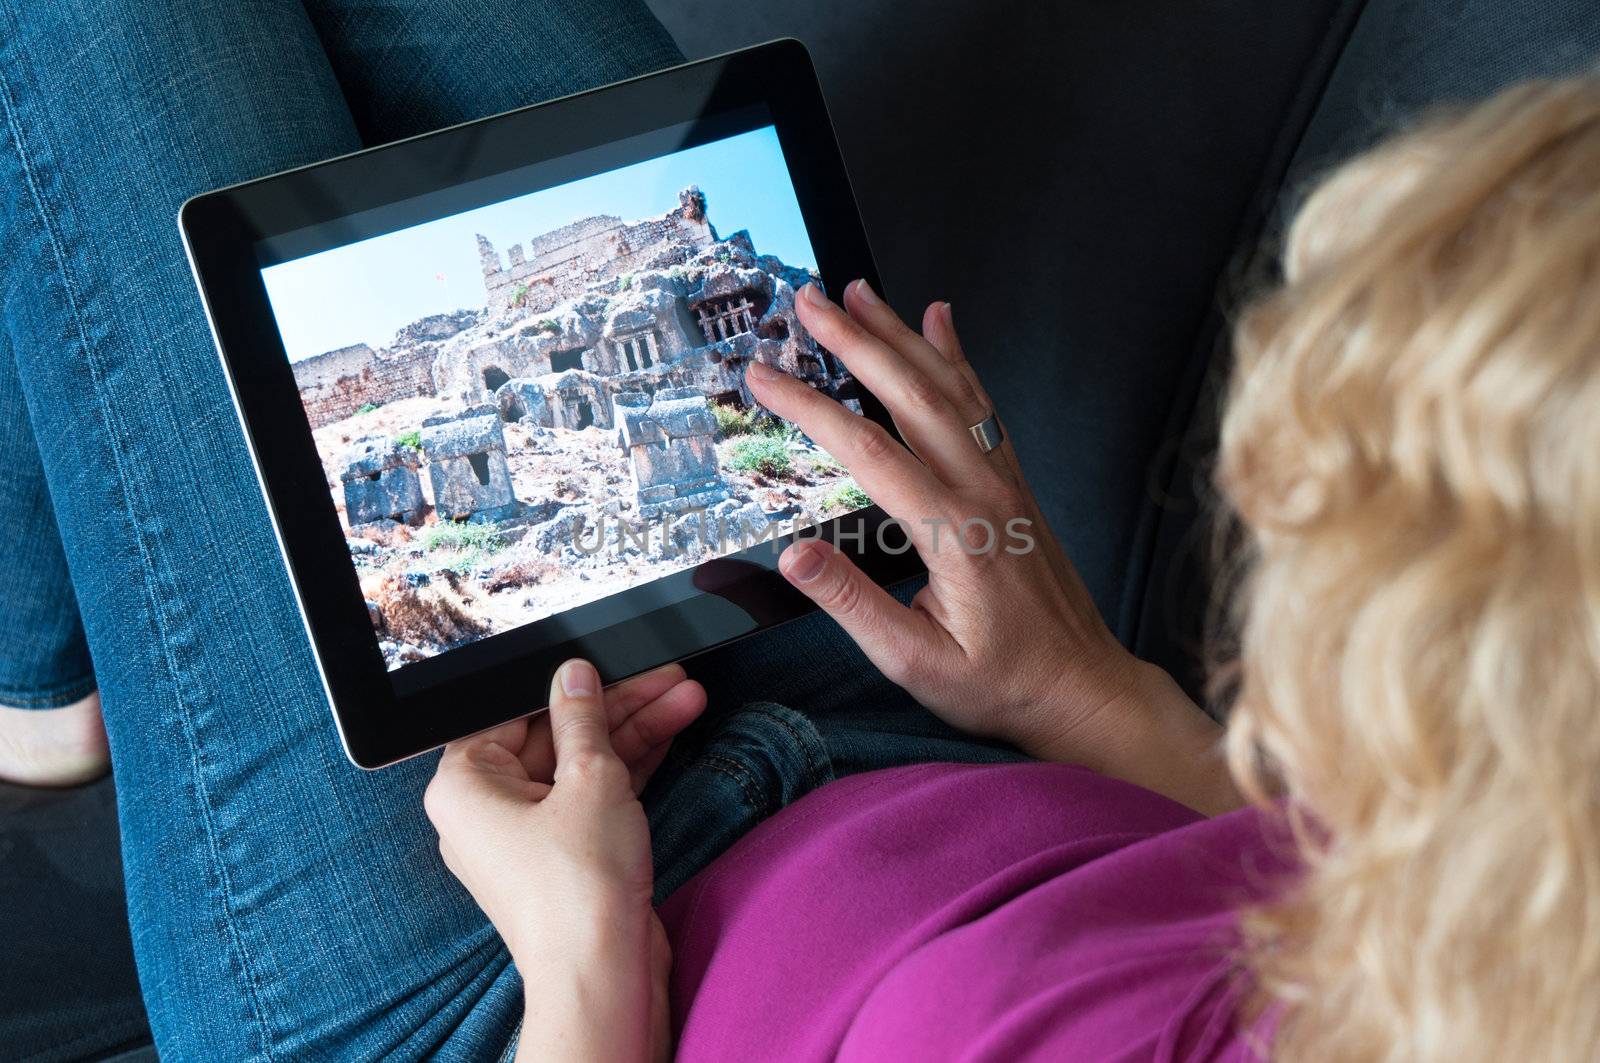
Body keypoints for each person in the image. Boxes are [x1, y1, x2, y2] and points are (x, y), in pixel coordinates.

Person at [1, 0, 1595, 1053]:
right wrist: (1072, 680)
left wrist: (581, 967)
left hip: (493, 982)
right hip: (926, 734)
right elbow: (1312, 885)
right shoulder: (1537, 932)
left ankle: (42, 675)